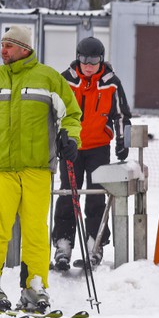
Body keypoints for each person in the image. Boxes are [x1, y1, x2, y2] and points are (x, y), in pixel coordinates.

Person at [0, 25, 82, 312]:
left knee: (35, 229)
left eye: (8, 45)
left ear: (24, 48)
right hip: (0, 167)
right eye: (2, 44)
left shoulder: (48, 78)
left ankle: (35, 286)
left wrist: (70, 136)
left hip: (38, 166)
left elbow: (71, 113)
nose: (2, 50)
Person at [51, 37, 132, 270]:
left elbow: (121, 115)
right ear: (78, 58)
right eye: (84, 60)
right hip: (71, 147)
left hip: (98, 147)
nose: (88, 65)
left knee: (96, 196)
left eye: (93, 60)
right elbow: (52, 112)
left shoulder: (111, 83)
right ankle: (63, 244)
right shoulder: (65, 80)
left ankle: (94, 245)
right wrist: (58, 138)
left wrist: (122, 140)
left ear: (101, 60)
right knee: (68, 194)